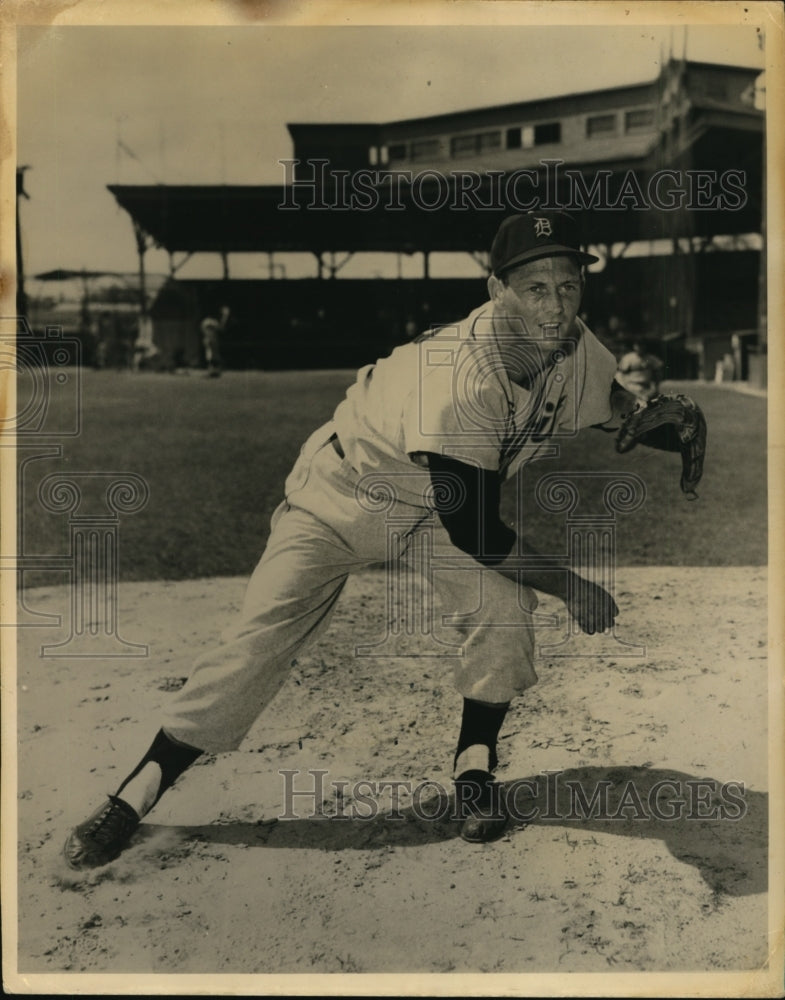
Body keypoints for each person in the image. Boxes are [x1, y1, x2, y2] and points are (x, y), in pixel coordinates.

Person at [64, 210, 636, 868]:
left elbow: (605, 396)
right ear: (494, 291)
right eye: (534, 288)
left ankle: (473, 772)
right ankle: (133, 796)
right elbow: (477, 531)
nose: (555, 304)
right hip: (343, 494)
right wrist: (570, 585)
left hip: (429, 505)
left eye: (568, 286)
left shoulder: (569, 343)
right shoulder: (460, 378)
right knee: (256, 641)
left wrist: (648, 416)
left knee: (502, 608)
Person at [200, 304, 230, 377]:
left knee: (213, 355)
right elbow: (219, 328)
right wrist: (225, 316)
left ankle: (214, 371)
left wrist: (225, 316)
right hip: (209, 339)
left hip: (213, 340)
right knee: (210, 355)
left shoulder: (210, 321)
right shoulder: (207, 321)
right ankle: (211, 371)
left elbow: (221, 328)